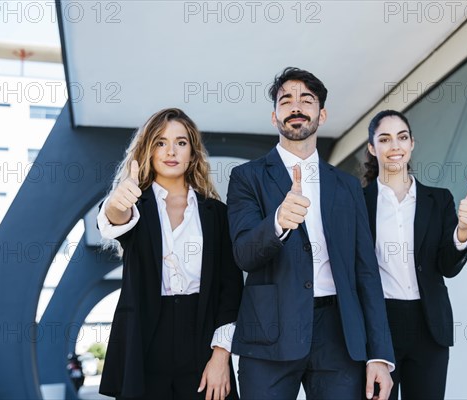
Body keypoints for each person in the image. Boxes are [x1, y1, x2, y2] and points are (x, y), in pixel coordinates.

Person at [226, 67, 395, 400]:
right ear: (275, 116)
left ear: (322, 113)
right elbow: (244, 254)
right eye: (286, 100)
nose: (296, 106)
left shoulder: (347, 186)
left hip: (339, 335)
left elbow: (366, 271)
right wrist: (277, 223)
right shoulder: (246, 177)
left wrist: (380, 354)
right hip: (268, 334)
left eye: (307, 99)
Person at [96, 108, 243, 400]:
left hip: (202, 335)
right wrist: (116, 203)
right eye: (161, 142)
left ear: (193, 153)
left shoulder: (216, 214)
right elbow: (115, 220)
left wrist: (220, 357)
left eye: (181, 142)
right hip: (145, 338)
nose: (171, 151)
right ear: (148, 150)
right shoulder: (135, 205)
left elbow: (231, 290)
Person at [363, 109, 467, 399]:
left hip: (430, 326)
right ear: (371, 148)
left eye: (402, 138)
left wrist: (463, 230)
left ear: (412, 143)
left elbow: (447, 266)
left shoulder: (438, 200)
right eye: (385, 139)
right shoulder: (358, 202)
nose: (395, 147)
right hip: (380, 326)